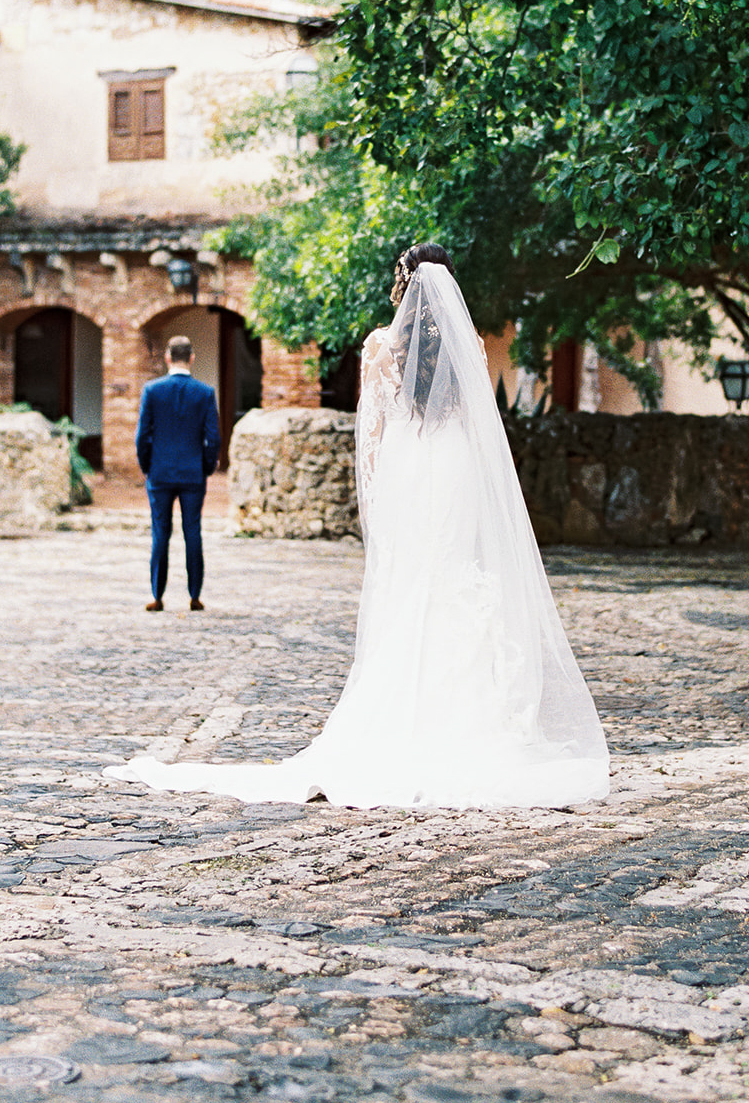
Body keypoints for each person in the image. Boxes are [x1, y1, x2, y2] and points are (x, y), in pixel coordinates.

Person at [108, 247, 609, 807]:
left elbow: (369, 436)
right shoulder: (466, 344)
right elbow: (477, 425)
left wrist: (376, 505)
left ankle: (402, 712)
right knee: (455, 571)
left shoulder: (380, 346)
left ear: (403, 284)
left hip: (408, 465)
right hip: (452, 464)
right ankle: (476, 717)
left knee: (410, 578)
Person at [135, 334, 221, 613]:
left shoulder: (152, 390)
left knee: (160, 533)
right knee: (192, 532)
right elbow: (214, 438)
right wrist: (206, 467)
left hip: (159, 474)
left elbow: (142, 436)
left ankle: (157, 595)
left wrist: (148, 466)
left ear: (168, 358)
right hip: (192, 475)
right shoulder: (205, 393)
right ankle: (194, 595)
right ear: (192, 358)